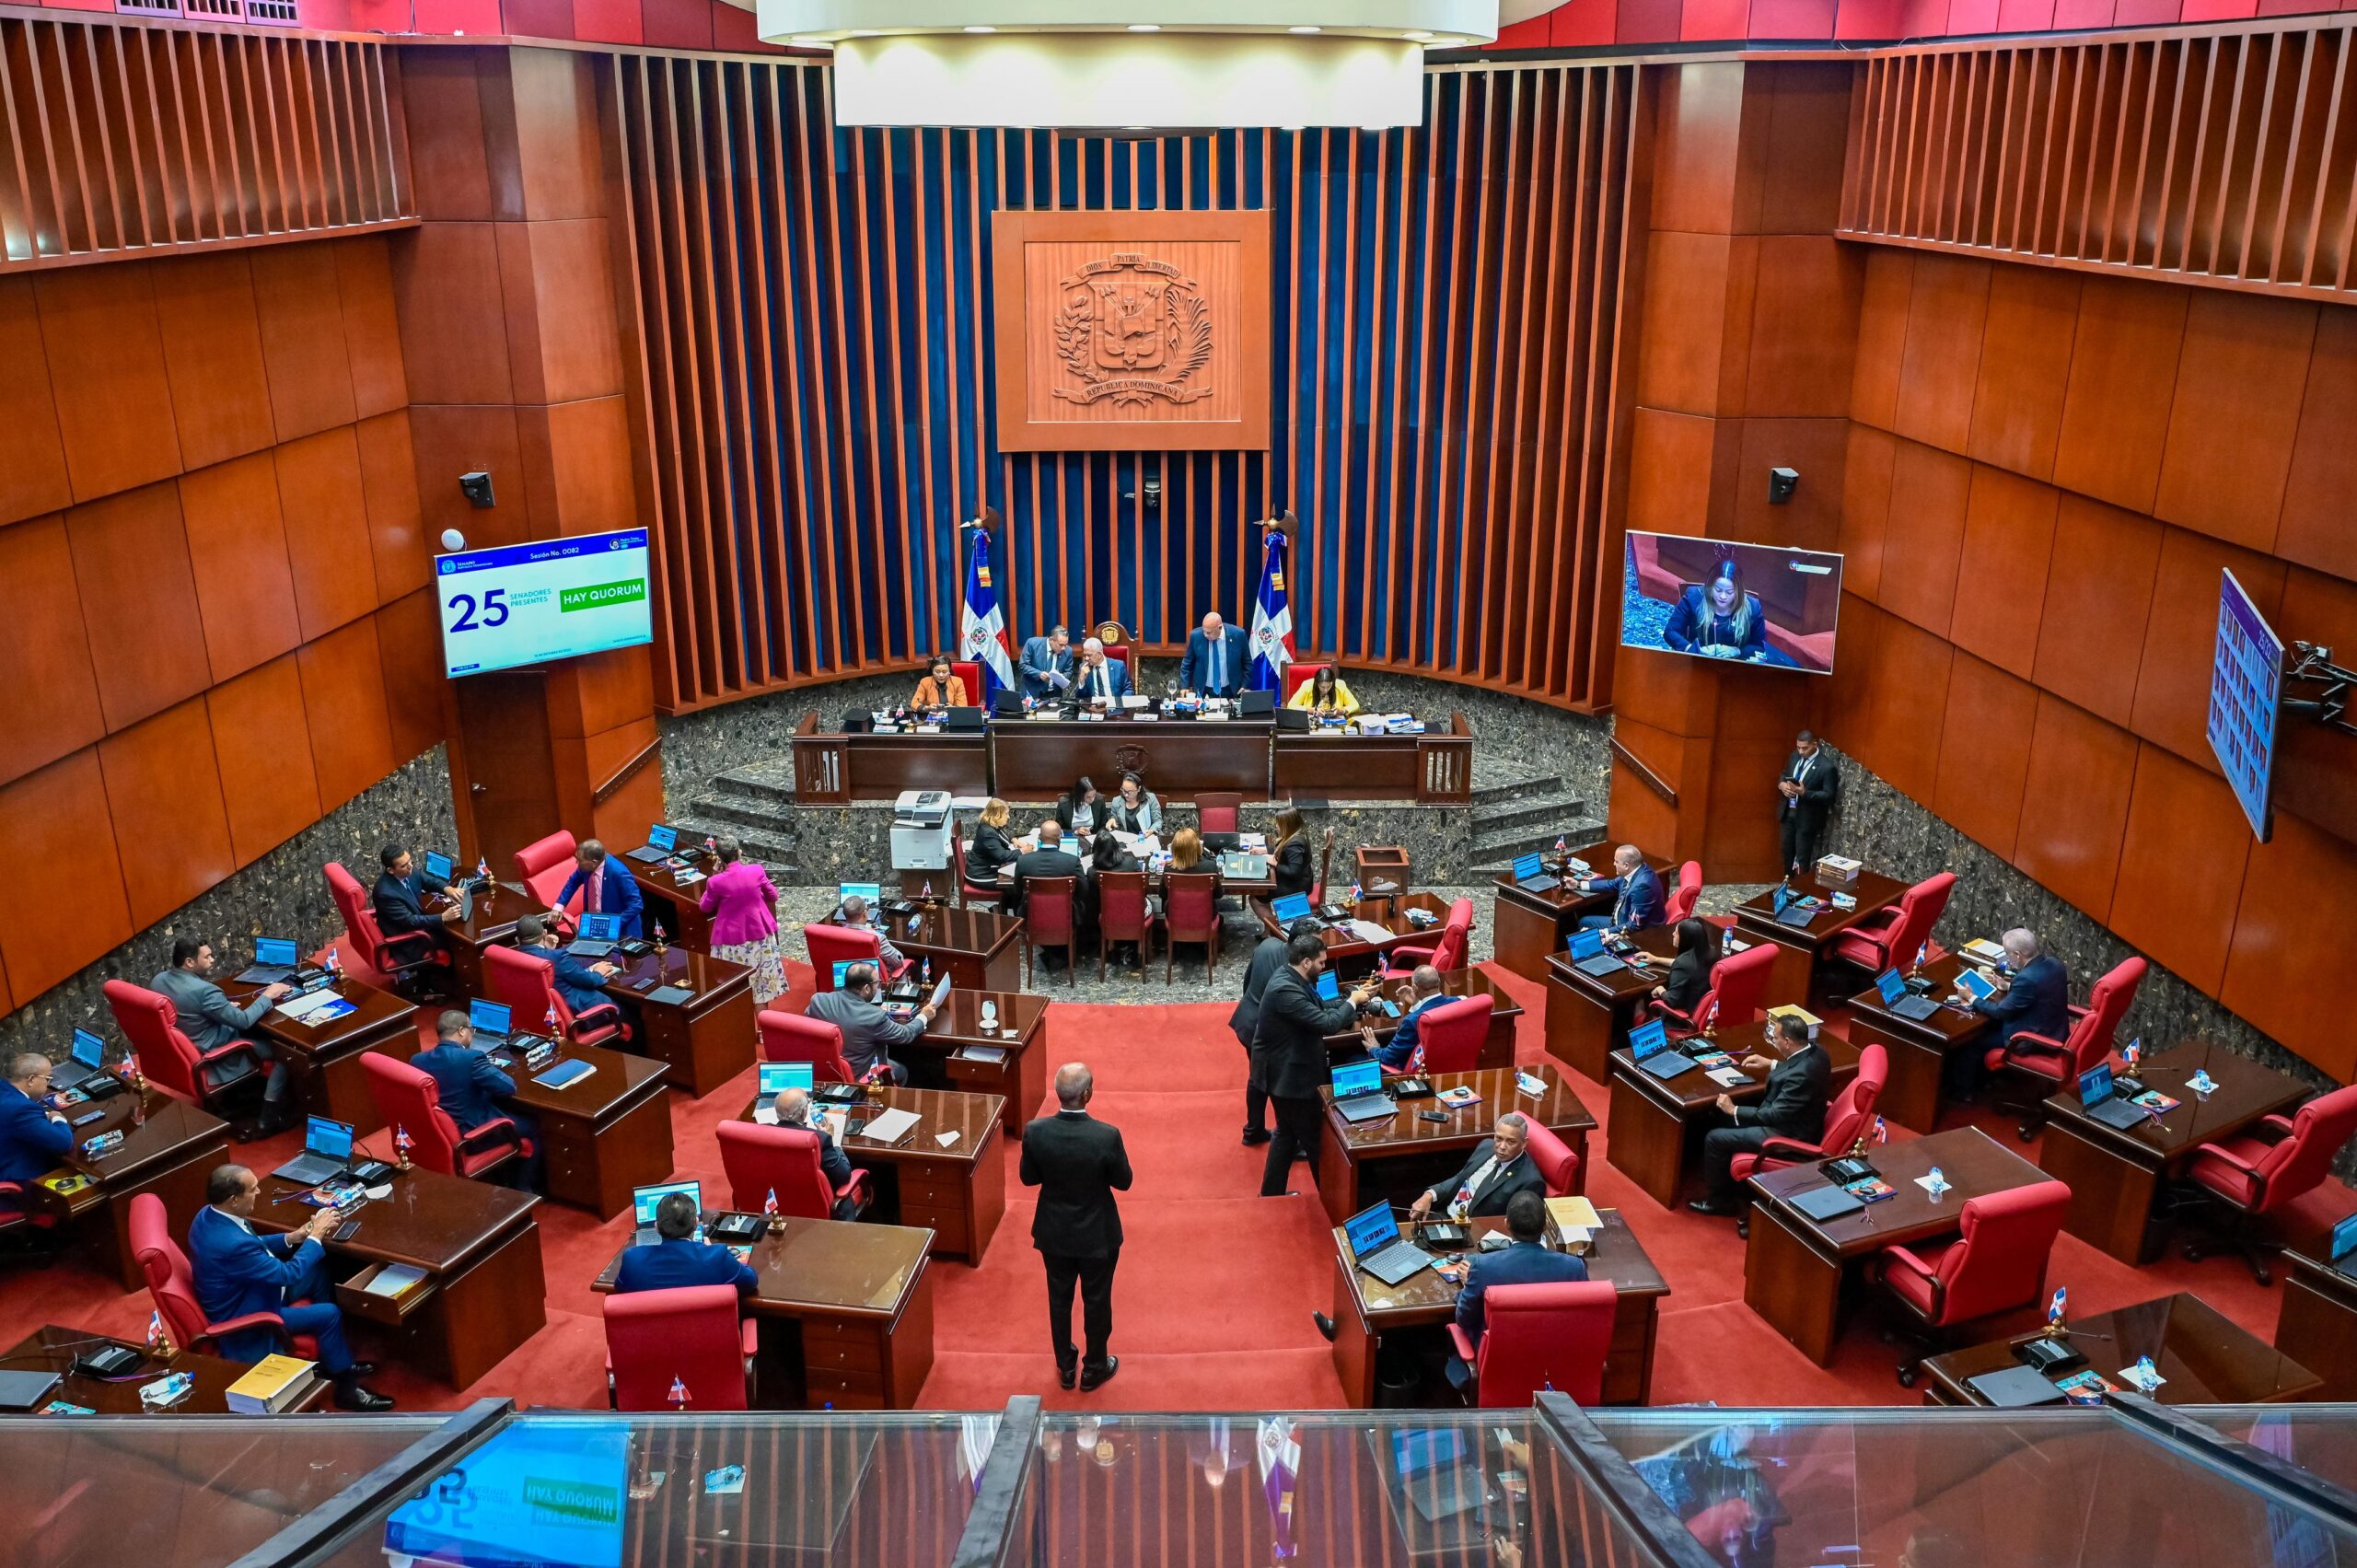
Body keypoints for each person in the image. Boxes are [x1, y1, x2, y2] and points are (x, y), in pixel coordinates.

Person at [188, 1164, 391, 1410]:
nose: (259, 1192)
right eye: (253, 1190)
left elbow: (253, 1243)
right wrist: (316, 1235)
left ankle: (332, 1358)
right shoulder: (231, 1244)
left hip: (251, 1287)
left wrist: (292, 1237)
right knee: (329, 1314)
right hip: (250, 1314)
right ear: (233, 1200)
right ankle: (346, 1389)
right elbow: (287, 1274)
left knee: (317, 1270)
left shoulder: (208, 1216)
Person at [1020, 1063, 1132, 1392]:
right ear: (1087, 1094)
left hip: (1054, 1232)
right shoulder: (1106, 1136)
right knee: (1097, 1300)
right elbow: (1123, 1181)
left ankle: (1066, 1367)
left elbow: (1028, 1178)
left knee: (1059, 1299)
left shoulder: (1035, 1131)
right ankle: (1095, 1367)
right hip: (1098, 1234)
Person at [1251, 933, 1371, 1196]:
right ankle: (1330, 1202)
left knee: (1286, 1133)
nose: (1323, 967)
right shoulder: (1285, 990)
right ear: (1306, 962)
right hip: (1289, 1079)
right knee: (1316, 1142)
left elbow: (1319, 1006)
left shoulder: (1292, 976)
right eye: (1321, 962)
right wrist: (1352, 1003)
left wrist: (1351, 1000)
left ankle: (1271, 1194)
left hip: (1287, 1071)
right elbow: (1326, 1023)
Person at [1688, 1014, 1831, 1217]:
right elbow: (1798, 1065)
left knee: (1714, 1138)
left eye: (1775, 1038)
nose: (1773, 1041)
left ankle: (1720, 1202)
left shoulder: (1801, 1076)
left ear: (1787, 1041)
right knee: (1720, 1118)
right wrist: (1771, 1063)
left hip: (1787, 1135)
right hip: (1799, 1120)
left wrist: (1734, 1109)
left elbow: (1773, 1115)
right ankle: (1727, 1180)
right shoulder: (1818, 1053)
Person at [1443, 1189, 1589, 1386]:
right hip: (1555, 1366)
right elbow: (1582, 1322)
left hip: (1499, 1367)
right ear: (1545, 1226)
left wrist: (1470, 1282)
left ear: (1507, 1224)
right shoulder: (1575, 1267)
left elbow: (1463, 1318)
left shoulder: (1482, 1267)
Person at [151, 938, 295, 1129]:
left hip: (191, 1046)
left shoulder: (159, 981)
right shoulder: (204, 991)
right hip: (219, 1054)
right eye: (207, 957)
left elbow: (189, 1008)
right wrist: (269, 994)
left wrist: (221, 1008)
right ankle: (269, 1116)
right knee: (288, 1053)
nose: (213, 960)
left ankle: (247, 1093)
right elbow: (243, 1020)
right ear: (189, 962)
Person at [413, 1011, 542, 1191]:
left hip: (442, 1136)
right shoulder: (471, 1058)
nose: (472, 1035)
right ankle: (524, 1188)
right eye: (471, 1030)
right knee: (536, 1125)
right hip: (473, 1136)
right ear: (461, 1031)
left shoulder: (418, 1060)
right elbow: (508, 1087)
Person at [1229, 917, 1319, 1145]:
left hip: (1247, 1019)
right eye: (1317, 944)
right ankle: (1287, 1140)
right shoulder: (1292, 971)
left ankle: (1253, 1130)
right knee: (1279, 1083)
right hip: (1266, 1030)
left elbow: (1247, 982)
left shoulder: (1267, 944)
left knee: (1257, 1078)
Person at [1947, 929, 2069, 1100]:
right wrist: (2008, 986)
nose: (2007, 958)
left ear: (2018, 955)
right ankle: (1986, 1079)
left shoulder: (2026, 979)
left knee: (1972, 1043)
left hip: (2031, 1040)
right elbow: (2039, 989)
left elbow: (2000, 1012)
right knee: (1988, 1027)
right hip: (2056, 1030)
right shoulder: (2055, 964)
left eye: (2007, 953)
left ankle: (1964, 1092)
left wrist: (1971, 997)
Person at [804, 961, 932, 1084]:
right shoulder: (874, 1016)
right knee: (902, 1071)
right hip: (861, 1079)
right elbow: (906, 1034)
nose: (879, 986)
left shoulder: (818, 1001)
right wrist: (923, 1016)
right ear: (866, 988)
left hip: (826, 1072)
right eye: (877, 983)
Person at [698, 835, 786, 1005]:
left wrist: (715, 874)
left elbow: (705, 907)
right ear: (739, 852)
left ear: (719, 858)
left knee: (738, 990)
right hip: (760, 937)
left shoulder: (715, 881)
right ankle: (762, 1023)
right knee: (761, 990)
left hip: (731, 943)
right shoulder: (756, 870)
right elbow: (773, 896)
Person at [613, 1190, 758, 1294]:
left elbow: (620, 1288)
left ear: (656, 1227)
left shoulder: (632, 1259)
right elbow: (750, 1280)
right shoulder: (716, 1256)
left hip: (652, 1329)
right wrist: (710, 1251)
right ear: (695, 1224)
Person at [1410, 1112, 1543, 1221]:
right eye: (1498, 1138)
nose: (1502, 1147)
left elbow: (1515, 1223)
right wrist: (1429, 1195)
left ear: (1524, 1143)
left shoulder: (1530, 1181)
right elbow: (1460, 1178)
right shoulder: (1486, 1146)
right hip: (1444, 1214)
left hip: (1472, 1231)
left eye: (1511, 1142)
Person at [770, 1086, 860, 1219]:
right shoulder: (819, 1139)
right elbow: (844, 1175)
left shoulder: (762, 1135)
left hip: (777, 1205)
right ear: (804, 1112)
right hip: (818, 1211)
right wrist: (833, 1140)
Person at [511, 912, 618, 1019]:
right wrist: (598, 972)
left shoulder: (512, 959)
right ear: (545, 933)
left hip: (542, 1014)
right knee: (624, 1009)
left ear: (517, 940)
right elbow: (589, 981)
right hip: (578, 1012)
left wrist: (547, 949)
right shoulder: (558, 957)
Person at [1663, 557, 1768, 660]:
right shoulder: (1694, 597)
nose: (1723, 596)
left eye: (1729, 592)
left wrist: (1737, 651)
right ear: (1710, 585)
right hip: (1697, 660)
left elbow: (1760, 646)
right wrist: (1692, 649)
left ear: (1738, 591)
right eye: (1718, 590)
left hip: (1734, 664)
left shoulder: (1752, 607)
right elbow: (1670, 631)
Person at [0, 1054, 73, 1200]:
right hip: (18, 1182)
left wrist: (41, 1113)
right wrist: (58, 1118)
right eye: (47, 1079)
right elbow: (64, 1142)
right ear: (31, 1079)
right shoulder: (21, 1109)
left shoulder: (4, 1089)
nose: (48, 1084)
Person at [375, 844, 460, 966]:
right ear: (390, 870)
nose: (410, 866)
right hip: (409, 941)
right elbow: (410, 921)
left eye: (410, 861)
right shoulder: (385, 893)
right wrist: (443, 917)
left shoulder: (409, 870)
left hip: (418, 927)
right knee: (454, 939)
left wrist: (447, 889)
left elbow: (429, 881)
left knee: (449, 930)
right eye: (404, 865)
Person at [1363, 964, 1451, 1072]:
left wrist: (1374, 1048)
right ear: (1439, 981)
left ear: (1415, 988)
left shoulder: (1411, 1021)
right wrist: (1417, 1003)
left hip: (1413, 1073)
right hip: (1448, 1064)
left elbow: (1387, 1058)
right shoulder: (1458, 1002)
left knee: (1353, 1058)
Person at [553, 839, 644, 938]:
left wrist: (613, 925)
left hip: (621, 931)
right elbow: (573, 882)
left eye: (580, 860)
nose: (577, 863)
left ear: (594, 862)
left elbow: (636, 904)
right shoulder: (586, 868)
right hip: (594, 923)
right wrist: (559, 907)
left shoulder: (619, 873)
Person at [1777, 730, 1838, 876]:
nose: (1801, 751)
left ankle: (1801, 886)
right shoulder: (1794, 756)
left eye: (1805, 748)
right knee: (1786, 850)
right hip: (1789, 813)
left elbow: (1829, 794)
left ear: (1815, 745)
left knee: (1802, 855)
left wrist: (1805, 793)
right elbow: (1784, 773)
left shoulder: (1826, 767)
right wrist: (1781, 784)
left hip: (1807, 818)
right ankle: (1788, 882)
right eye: (1798, 747)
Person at [1007, 820, 1086, 930]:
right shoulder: (1072, 861)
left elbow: (1017, 890)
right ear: (1059, 838)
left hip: (1032, 914)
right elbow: (1084, 889)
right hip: (1065, 915)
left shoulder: (1023, 860)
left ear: (1039, 837)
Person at [1577, 843, 1665, 934]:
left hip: (1638, 933)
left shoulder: (1642, 887)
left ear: (1626, 865)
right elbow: (1611, 884)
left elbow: (1634, 925)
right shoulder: (1634, 870)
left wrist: (1604, 932)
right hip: (1620, 921)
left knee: (1587, 929)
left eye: (1616, 861)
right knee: (1584, 922)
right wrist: (1578, 885)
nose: (1614, 864)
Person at [1082, 830, 1142, 961]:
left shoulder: (1092, 872)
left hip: (1106, 912)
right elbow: (1141, 888)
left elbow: (1093, 900)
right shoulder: (1131, 863)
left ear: (1095, 850)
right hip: (1133, 911)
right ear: (1116, 847)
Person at [1650, 917, 1718, 1021]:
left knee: (1640, 1003)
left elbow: (1672, 1000)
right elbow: (1687, 965)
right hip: (1703, 1008)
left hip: (1683, 1015)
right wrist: (1655, 959)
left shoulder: (1682, 964)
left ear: (1685, 938)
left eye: (1676, 933)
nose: (1673, 934)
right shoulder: (1710, 952)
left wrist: (1660, 989)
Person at [835, 894, 910, 980]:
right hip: (872, 980)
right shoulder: (876, 938)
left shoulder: (836, 935)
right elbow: (899, 961)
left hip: (846, 977)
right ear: (864, 914)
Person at [1178, 611, 1249, 700]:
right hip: (1203, 691)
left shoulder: (1238, 635)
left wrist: (1245, 685)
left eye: (1209, 632)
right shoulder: (1196, 636)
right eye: (1204, 631)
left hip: (1230, 691)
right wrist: (1185, 686)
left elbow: (1247, 663)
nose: (1205, 635)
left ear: (1220, 627)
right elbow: (1187, 663)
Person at [1269, 807, 1329, 900]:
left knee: (1256, 898)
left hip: (1296, 887)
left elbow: (1293, 872)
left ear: (1287, 825)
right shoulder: (1296, 834)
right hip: (1299, 881)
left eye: (1279, 823)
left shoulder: (1295, 844)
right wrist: (1265, 850)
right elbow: (1284, 849)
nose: (1276, 826)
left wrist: (1275, 863)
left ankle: (1275, 911)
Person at [969, 798, 1020, 887]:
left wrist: (1014, 840)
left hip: (989, 867)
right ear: (996, 815)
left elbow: (1003, 833)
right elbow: (1002, 856)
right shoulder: (988, 833)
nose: (1008, 817)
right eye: (1006, 814)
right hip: (981, 874)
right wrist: (1022, 851)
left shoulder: (990, 824)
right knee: (1017, 882)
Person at [1017, 624, 1075, 702]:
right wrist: (1039, 674)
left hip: (1054, 695)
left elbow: (1069, 672)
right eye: (1061, 645)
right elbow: (1023, 665)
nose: (1063, 648)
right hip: (1032, 693)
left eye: (1065, 645)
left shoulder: (1068, 651)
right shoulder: (1032, 644)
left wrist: (1060, 677)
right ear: (1051, 639)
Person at [1285, 663, 1362, 717]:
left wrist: (1343, 710)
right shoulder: (1307, 685)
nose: (1325, 690)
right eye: (1322, 687)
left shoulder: (1340, 685)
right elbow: (1291, 705)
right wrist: (1312, 710)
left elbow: (1355, 705)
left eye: (1329, 686)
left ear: (1333, 682)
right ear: (1317, 683)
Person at [1072, 637, 1130, 706]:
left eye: (1089, 655)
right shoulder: (1084, 668)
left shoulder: (1118, 666)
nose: (1086, 658)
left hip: (1116, 707)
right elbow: (1080, 698)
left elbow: (1128, 689)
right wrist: (1081, 680)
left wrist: (1121, 703)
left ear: (1099, 654)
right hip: (1094, 708)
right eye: (1085, 655)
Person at [1106, 772, 1162, 837]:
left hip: (1148, 837)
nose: (1126, 795)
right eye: (1124, 790)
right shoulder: (1116, 801)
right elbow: (1115, 821)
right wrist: (1112, 821)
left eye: (1130, 792)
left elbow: (1158, 821)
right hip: (1127, 839)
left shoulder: (1150, 798)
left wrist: (1151, 830)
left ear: (1138, 789)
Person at [1057, 775, 1110, 839]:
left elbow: (1104, 825)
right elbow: (1058, 829)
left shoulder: (1099, 799)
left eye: (1094, 795)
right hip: (1072, 838)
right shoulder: (1064, 803)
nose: (1092, 799)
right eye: (1088, 797)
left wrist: (1097, 836)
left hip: (1093, 838)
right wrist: (1075, 832)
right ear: (1080, 795)